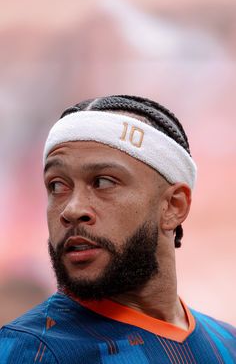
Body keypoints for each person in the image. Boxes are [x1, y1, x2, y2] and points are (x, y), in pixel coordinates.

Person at [0, 95, 235, 363]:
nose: (72, 209)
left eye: (103, 182)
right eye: (57, 185)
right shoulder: (29, 351)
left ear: (173, 206)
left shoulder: (227, 344)